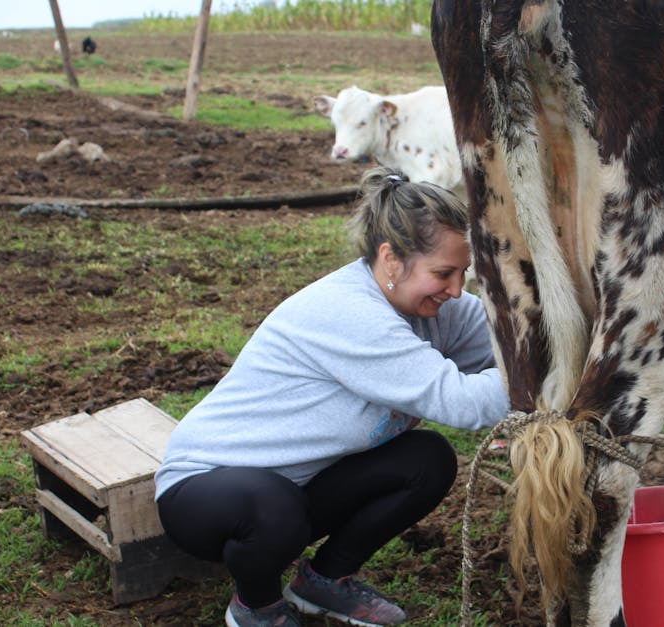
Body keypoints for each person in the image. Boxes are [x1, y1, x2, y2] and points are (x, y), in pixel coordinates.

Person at [154, 167, 510, 627]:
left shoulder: (441, 308)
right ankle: (256, 607)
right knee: (274, 508)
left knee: (427, 460)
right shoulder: (352, 313)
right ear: (391, 260)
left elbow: (509, 347)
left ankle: (322, 581)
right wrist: (554, 383)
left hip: (301, 484)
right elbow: (462, 401)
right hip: (206, 491)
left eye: (464, 273)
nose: (457, 290)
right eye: (443, 273)